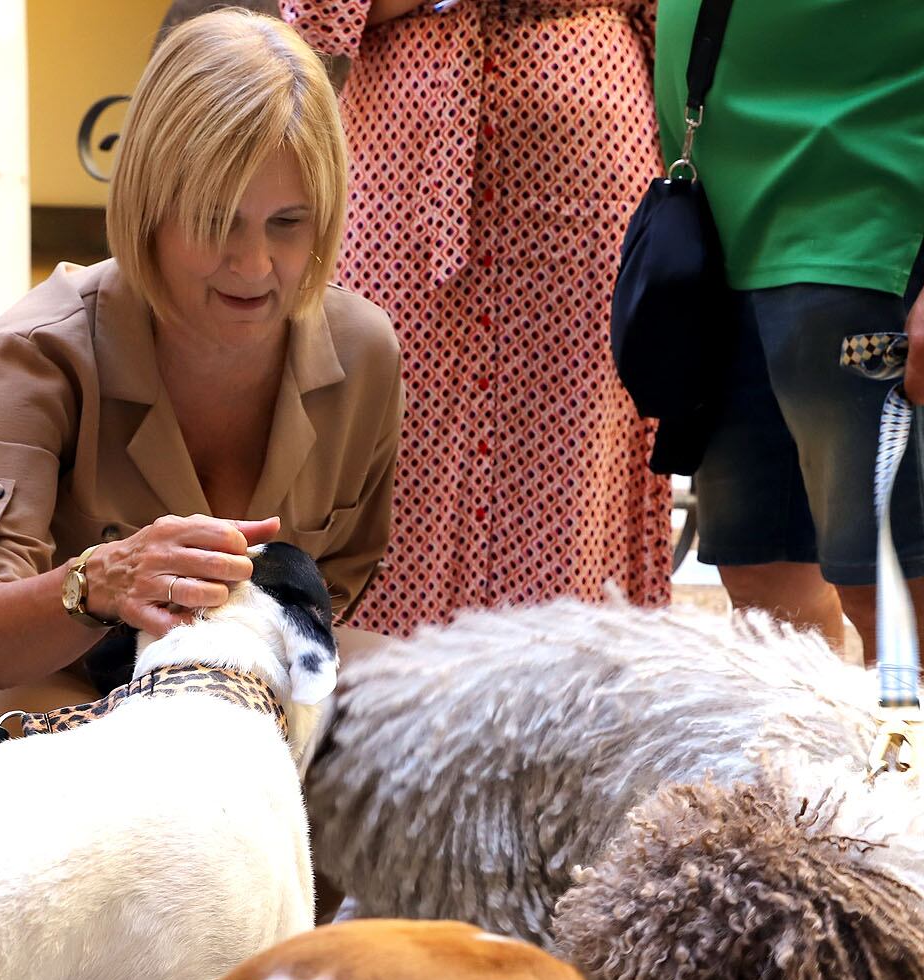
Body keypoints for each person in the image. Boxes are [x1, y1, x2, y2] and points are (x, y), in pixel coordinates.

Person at [0, 9, 404, 768]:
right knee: (150, 777)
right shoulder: (37, 351)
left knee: (430, 731)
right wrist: (101, 583)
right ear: (149, 202)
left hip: (236, 669)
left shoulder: (364, 352)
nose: (255, 264)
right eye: (215, 219)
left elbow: (336, 583)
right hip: (30, 679)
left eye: (288, 223)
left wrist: (225, 672)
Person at [654, 0, 924, 684]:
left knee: (900, 607)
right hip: (734, 225)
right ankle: (808, 795)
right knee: (767, 601)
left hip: (886, 220)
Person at [282, 0, 672, 637]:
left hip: (589, 155)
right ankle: (383, 708)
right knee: (383, 433)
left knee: (573, 460)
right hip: (404, 167)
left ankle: (554, 711)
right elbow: (316, 13)